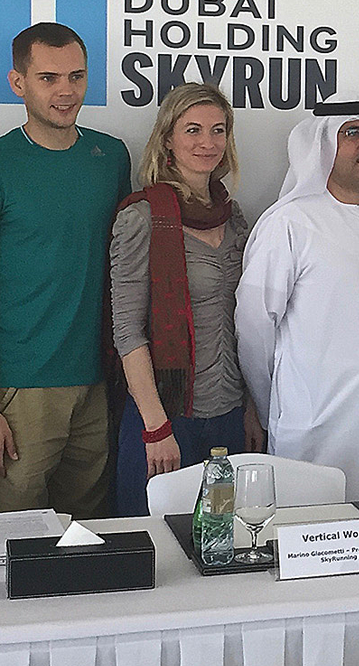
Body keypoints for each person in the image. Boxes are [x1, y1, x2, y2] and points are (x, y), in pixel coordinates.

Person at [0, 22, 131, 518]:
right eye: (49, 78)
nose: (66, 91)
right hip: (18, 391)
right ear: (18, 83)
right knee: (8, 540)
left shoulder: (111, 157)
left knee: (85, 538)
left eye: (76, 76)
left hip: (96, 384)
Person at [236, 94, 359, 500]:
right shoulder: (288, 222)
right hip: (312, 422)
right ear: (323, 143)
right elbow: (255, 328)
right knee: (310, 522)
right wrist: (268, 405)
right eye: (353, 133)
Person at [110, 83, 260, 515]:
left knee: (222, 536)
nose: (207, 142)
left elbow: (248, 323)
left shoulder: (235, 218)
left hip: (229, 416)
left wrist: (253, 407)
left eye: (218, 130)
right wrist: (156, 428)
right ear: (167, 140)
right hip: (166, 419)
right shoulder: (142, 217)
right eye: (193, 130)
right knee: (158, 542)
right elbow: (128, 332)